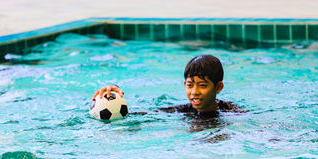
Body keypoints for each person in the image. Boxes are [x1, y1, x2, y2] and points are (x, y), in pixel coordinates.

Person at [92, 55, 246, 119]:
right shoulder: (181, 111)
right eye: (190, 85)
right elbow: (138, 115)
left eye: (202, 85)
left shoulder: (233, 113)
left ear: (218, 87)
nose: (194, 92)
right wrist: (114, 95)